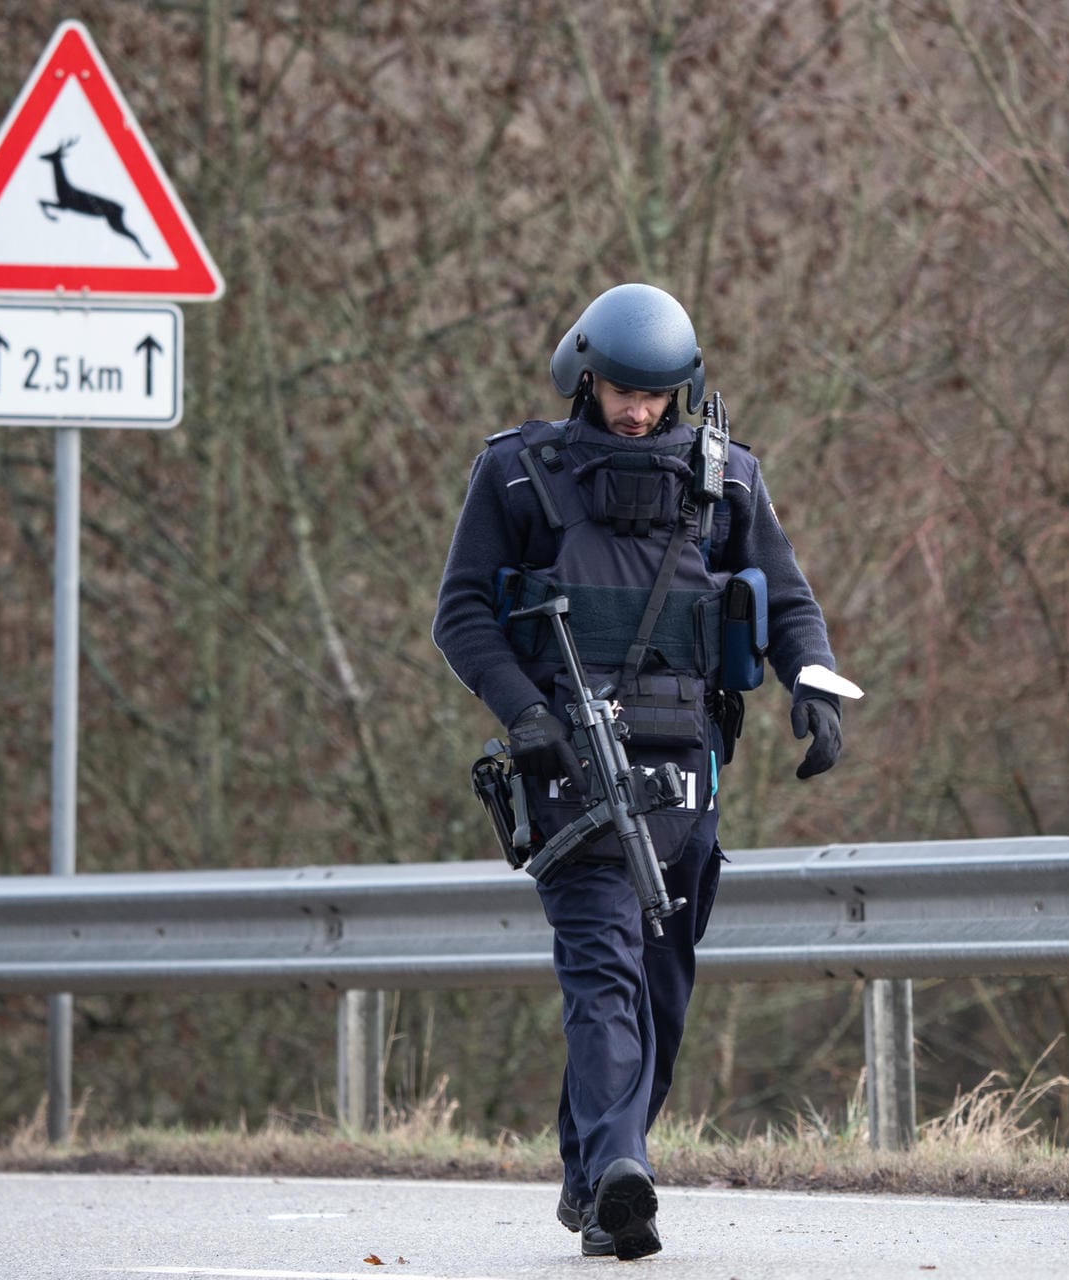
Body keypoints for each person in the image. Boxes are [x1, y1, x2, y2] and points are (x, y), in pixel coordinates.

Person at [432, 282, 848, 1260]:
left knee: (660, 991)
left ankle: (593, 1170)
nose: (638, 409)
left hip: (688, 782)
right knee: (604, 973)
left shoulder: (726, 479)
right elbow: (462, 615)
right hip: (573, 777)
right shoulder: (518, 476)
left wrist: (815, 688)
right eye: (622, 388)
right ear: (585, 374)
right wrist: (526, 713)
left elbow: (788, 602)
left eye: (657, 393)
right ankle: (627, 1171)